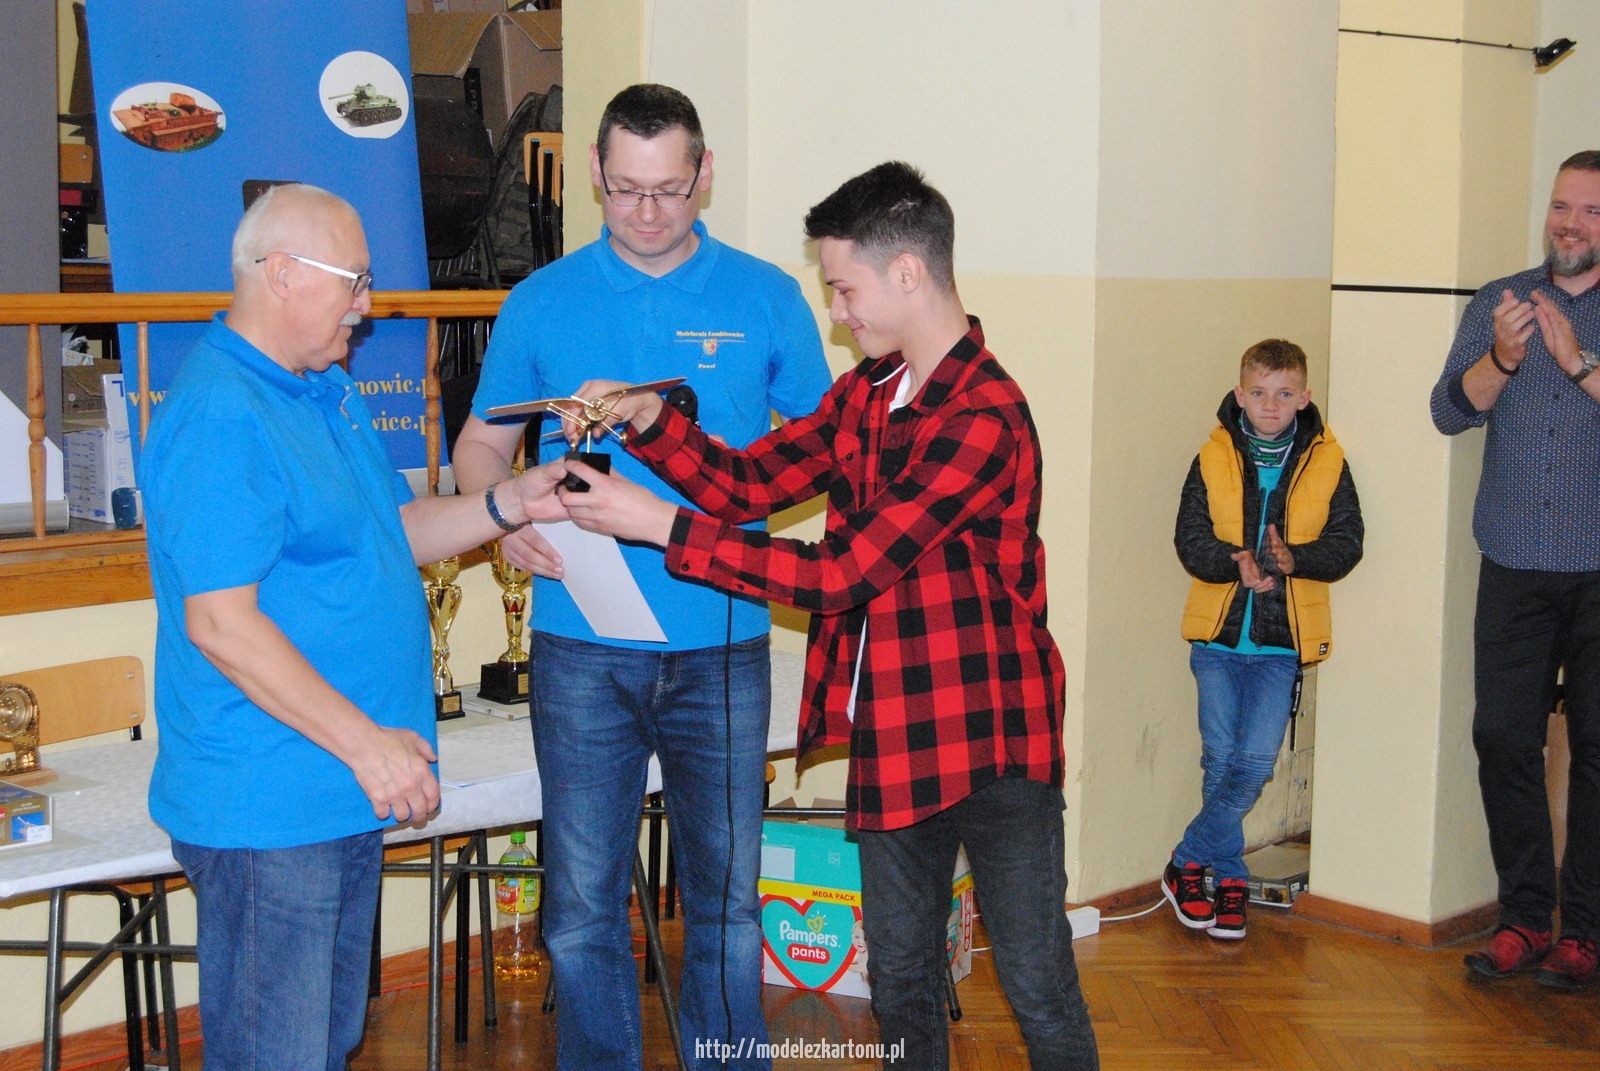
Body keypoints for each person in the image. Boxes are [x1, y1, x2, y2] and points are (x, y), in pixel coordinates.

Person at [556, 161, 1099, 1071]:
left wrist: (658, 526)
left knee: (1038, 980)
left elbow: (842, 573)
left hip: (993, 738)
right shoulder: (867, 394)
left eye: (844, 289)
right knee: (901, 978)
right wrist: (650, 418)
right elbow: (748, 483)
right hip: (898, 729)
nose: (838, 313)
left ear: (908, 273)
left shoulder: (984, 414)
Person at [139, 183, 567, 1070]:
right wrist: (368, 744)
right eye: (356, 280)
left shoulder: (324, 389)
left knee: (327, 1042)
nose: (367, 305)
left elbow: (389, 531)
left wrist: (508, 502)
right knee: (279, 1054)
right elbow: (220, 624)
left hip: (336, 789)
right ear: (282, 274)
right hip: (272, 803)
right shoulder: (223, 411)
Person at [450, 84, 831, 1070]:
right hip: (580, 645)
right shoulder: (541, 301)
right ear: (593, 174)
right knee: (581, 903)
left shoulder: (765, 298)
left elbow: (823, 450)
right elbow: (480, 445)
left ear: (705, 175)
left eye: (669, 189)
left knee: (726, 902)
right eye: (626, 190)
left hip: (722, 640)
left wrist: (739, 503)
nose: (649, 212)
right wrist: (500, 521)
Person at [1433, 149, 1600, 990]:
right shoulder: (1501, 300)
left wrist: (1576, 363)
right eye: (1562, 206)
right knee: (1502, 736)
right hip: (1512, 558)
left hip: (1597, 570)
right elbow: (1448, 410)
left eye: (1592, 211)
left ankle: (1588, 931)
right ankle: (1526, 917)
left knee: (1598, 749)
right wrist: (1499, 358)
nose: (1570, 223)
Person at [1164, 340, 1363, 940]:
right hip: (1217, 643)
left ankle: (1185, 860)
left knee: (1252, 766)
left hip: (1281, 647)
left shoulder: (1329, 460)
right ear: (1239, 395)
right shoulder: (1212, 455)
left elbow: (1347, 542)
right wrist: (1234, 562)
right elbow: (1190, 538)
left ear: (1304, 398)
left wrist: (1296, 559)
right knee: (1220, 760)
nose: (1270, 405)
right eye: (1258, 393)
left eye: (1283, 394)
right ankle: (1227, 877)